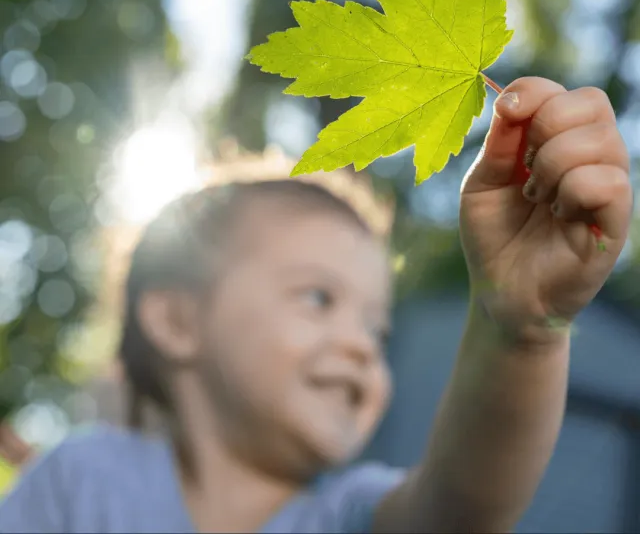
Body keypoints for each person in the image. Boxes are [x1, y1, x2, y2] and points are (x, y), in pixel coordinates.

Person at [0, 77, 632, 533]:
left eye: (377, 330)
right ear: (178, 321)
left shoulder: (350, 513)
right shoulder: (80, 481)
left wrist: (519, 328)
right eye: (318, 298)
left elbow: (467, 502)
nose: (362, 346)